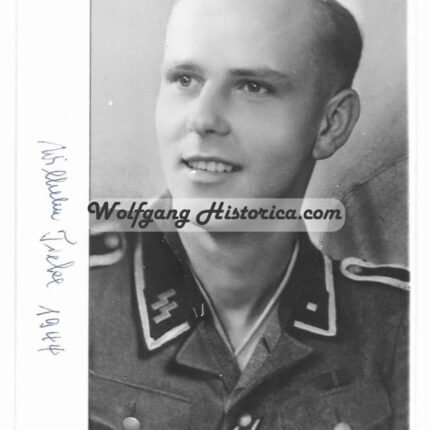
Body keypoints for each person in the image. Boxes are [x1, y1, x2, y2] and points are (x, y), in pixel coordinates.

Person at [89, 0, 409, 429]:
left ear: (331, 124)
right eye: (185, 79)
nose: (203, 119)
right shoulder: (71, 292)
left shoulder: (397, 325)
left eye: (253, 87)